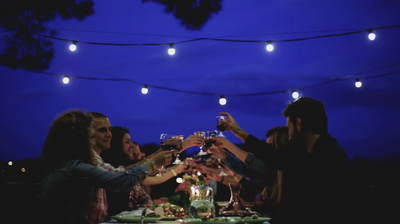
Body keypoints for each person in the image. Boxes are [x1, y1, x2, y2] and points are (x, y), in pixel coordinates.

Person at [211, 97, 353, 224]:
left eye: (288, 128)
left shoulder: (328, 154)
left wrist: (238, 133)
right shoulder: (313, 152)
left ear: (299, 123)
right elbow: (274, 159)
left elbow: (274, 159)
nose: (289, 136)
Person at [40, 110, 170, 224]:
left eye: (110, 130)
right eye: (87, 133)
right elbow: (121, 180)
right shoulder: (76, 167)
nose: (109, 135)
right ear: (77, 136)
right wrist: (153, 163)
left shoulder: (71, 163)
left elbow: (120, 175)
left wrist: (157, 157)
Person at [100, 126, 190, 214]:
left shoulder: (124, 168)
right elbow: (155, 177)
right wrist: (176, 167)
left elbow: (156, 172)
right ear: (116, 144)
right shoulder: (111, 168)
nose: (131, 145)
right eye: (127, 142)